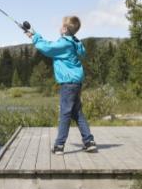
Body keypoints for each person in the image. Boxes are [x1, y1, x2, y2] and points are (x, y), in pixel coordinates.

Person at [25, 16, 97, 154]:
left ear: (64, 29)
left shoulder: (64, 44)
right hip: (76, 82)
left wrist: (34, 38)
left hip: (68, 83)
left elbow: (47, 48)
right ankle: (89, 142)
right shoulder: (74, 42)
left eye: (61, 25)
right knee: (77, 112)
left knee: (65, 113)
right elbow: (51, 45)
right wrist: (35, 34)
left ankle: (59, 145)